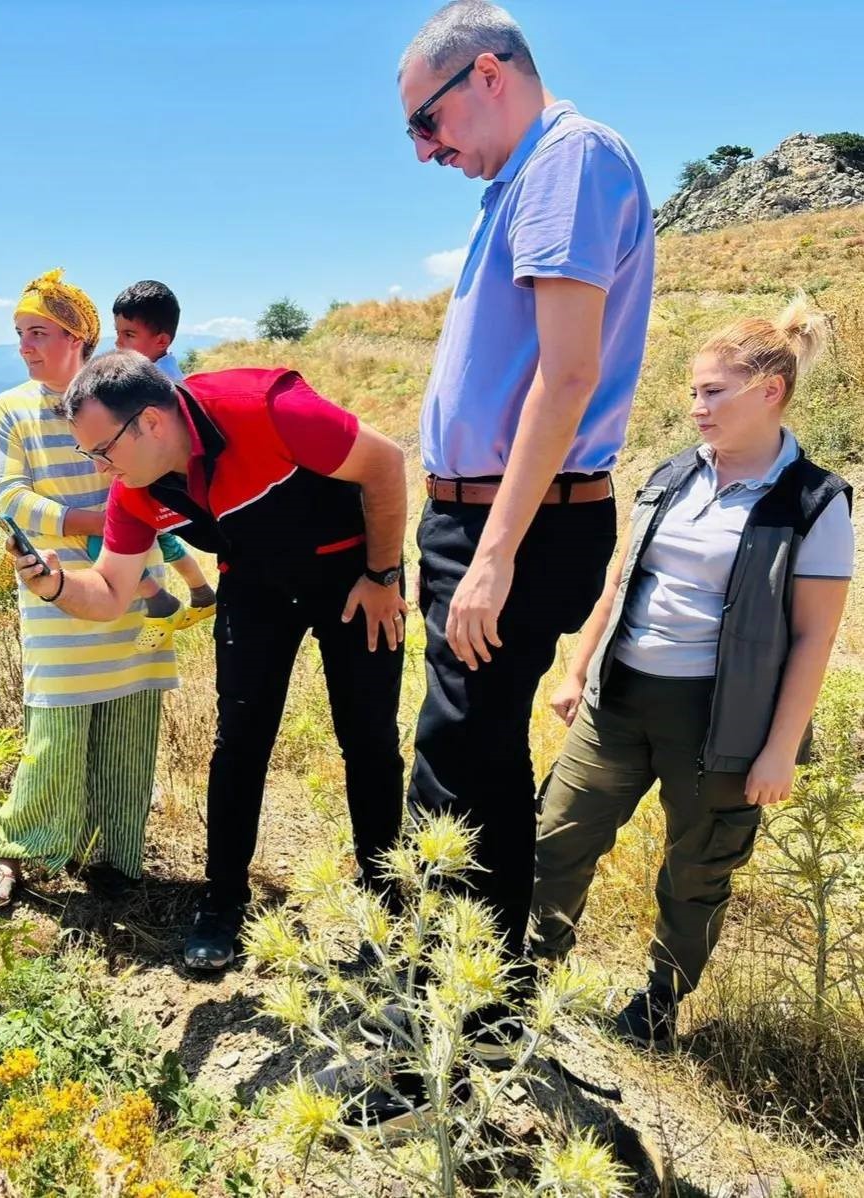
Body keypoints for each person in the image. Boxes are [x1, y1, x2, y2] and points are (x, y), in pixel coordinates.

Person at [399, 1, 654, 1016]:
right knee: (479, 759)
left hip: (516, 520)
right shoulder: (526, 177)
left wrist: (494, 551)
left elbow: (569, 371)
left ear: (490, 74)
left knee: (454, 768)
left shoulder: (566, 161)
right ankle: (479, 1008)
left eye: (428, 121)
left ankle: (439, 1023)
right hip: (499, 514)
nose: (425, 150)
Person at [10, 350, 409, 972]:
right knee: (239, 746)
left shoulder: (268, 410)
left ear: (150, 422)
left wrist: (383, 575)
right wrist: (54, 586)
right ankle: (222, 903)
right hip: (254, 584)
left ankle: (385, 900)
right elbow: (112, 593)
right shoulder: (136, 492)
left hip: (353, 576)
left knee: (369, 740)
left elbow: (385, 462)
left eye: (103, 450)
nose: (101, 468)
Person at [530, 296, 853, 1049]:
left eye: (714, 392)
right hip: (620, 701)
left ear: (769, 391)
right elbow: (622, 581)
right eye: (693, 392)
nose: (697, 407)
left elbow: (814, 638)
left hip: (721, 726)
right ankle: (525, 979)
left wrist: (778, 750)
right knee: (557, 840)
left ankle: (657, 1005)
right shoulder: (674, 475)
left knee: (697, 871)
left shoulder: (814, 501)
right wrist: (578, 671)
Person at [0, 270, 178, 907]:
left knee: (130, 723)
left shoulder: (119, 390)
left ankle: (119, 857)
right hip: (57, 589)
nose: (25, 346)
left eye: (38, 332)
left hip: (136, 578)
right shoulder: (12, 409)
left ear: (77, 336)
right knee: (55, 731)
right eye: (19, 334)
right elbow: (9, 496)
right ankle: (23, 849)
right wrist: (91, 521)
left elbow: (159, 466)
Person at [88, 280, 216, 650]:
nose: (119, 344)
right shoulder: (162, 377)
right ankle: (202, 593)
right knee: (168, 543)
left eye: (129, 334)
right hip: (160, 487)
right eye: (118, 334)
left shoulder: (160, 386)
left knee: (101, 543)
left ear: (161, 341)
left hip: (152, 484)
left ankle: (159, 601)